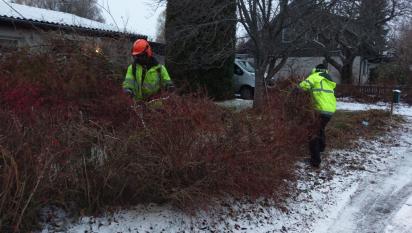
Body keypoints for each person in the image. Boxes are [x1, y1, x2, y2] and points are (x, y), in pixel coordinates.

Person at [299, 64, 336, 168]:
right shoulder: (329, 80)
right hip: (330, 110)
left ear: (315, 70)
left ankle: (315, 161)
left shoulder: (315, 76)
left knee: (313, 133)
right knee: (320, 129)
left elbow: (302, 86)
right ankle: (321, 148)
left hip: (320, 109)